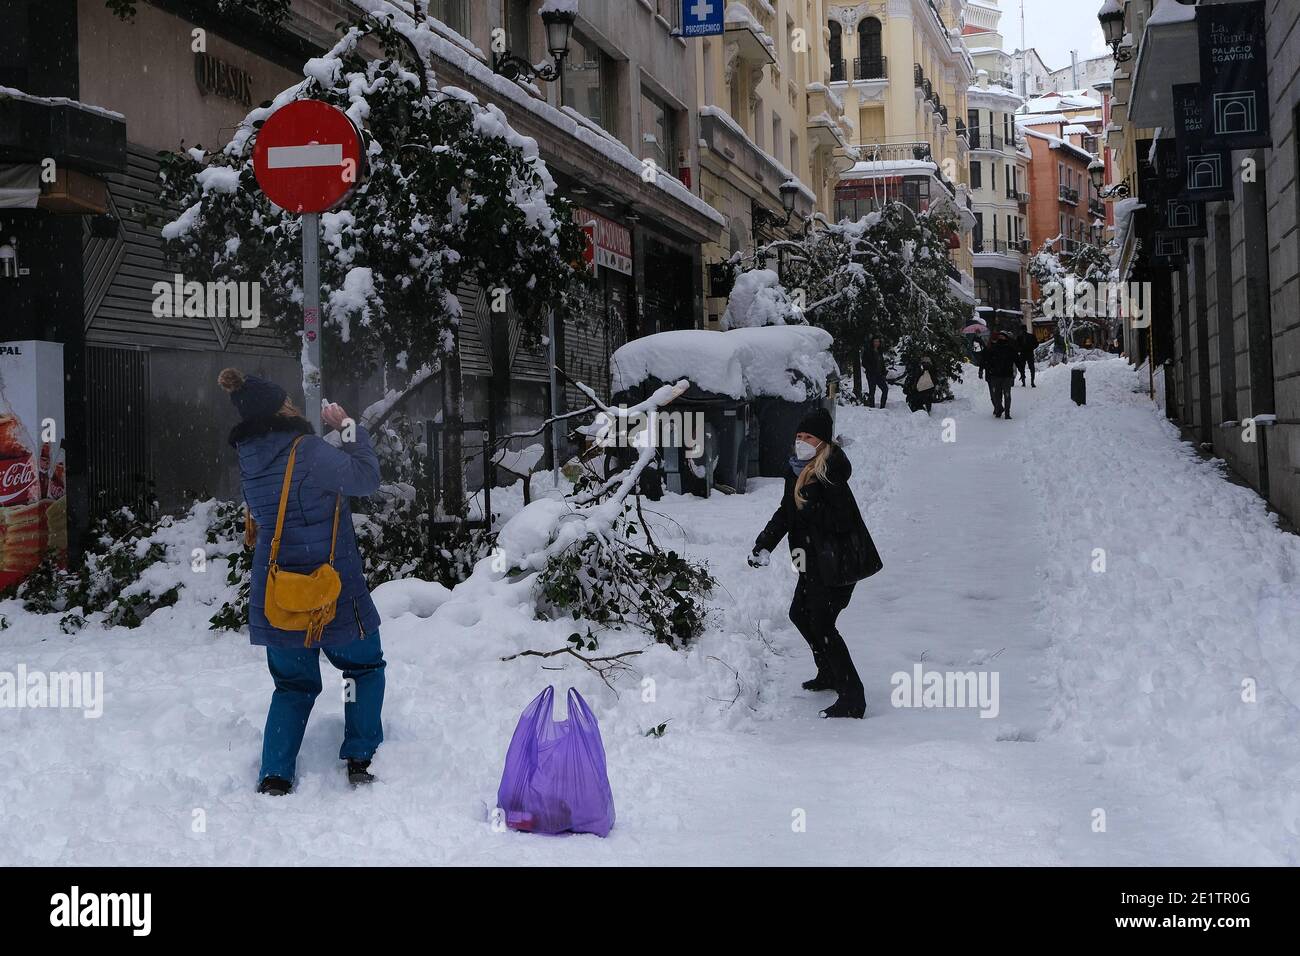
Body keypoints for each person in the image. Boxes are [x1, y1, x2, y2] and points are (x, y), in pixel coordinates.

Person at [220, 368, 385, 796]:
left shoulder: (250, 459)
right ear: (282, 407)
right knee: (363, 667)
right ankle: (360, 757)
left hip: (278, 593)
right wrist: (347, 428)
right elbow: (366, 478)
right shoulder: (306, 450)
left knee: (292, 685)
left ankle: (275, 775)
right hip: (332, 587)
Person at [747, 408, 879, 719]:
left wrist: (810, 508)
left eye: (809, 437)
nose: (801, 442)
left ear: (822, 443)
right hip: (810, 559)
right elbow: (786, 511)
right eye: (799, 437)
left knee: (822, 623)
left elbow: (843, 520)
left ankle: (853, 696)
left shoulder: (829, 473)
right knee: (799, 614)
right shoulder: (796, 470)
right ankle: (829, 672)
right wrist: (764, 543)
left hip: (838, 563)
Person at [983, 330, 1018, 419]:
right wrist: (989, 370)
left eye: (1003, 336)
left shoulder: (1010, 348)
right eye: (1000, 337)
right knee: (998, 395)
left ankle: (1006, 413)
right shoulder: (994, 348)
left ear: (1006, 338)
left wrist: (1019, 371)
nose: (1001, 338)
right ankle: (999, 410)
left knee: (1005, 395)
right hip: (997, 375)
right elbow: (987, 360)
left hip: (1005, 375)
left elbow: (1016, 360)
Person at [863, 337, 889, 409]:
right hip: (871, 375)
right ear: (872, 342)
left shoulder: (879, 351)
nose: (877, 343)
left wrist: (884, 372)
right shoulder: (868, 351)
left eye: (878, 342)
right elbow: (864, 363)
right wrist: (871, 370)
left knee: (885, 389)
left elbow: (882, 363)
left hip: (879, 375)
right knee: (872, 391)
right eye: (875, 341)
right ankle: (872, 408)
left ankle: (882, 407)